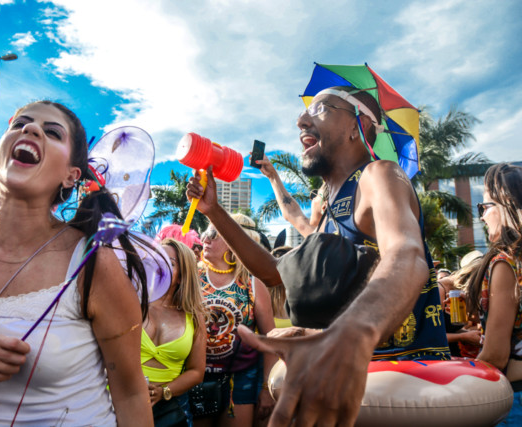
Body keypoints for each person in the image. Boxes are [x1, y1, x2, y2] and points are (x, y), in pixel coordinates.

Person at [187, 85, 450, 425]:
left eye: (322, 109)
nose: (302, 120)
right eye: (306, 112)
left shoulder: (379, 175)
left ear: (358, 126)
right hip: (338, 381)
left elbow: (408, 254)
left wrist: (353, 331)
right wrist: (214, 211)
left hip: (403, 377)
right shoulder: (326, 212)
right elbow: (275, 272)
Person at [0, 100, 153, 426]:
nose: (30, 129)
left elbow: (131, 395)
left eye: (52, 132)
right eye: (20, 124)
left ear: (71, 176)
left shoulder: (91, 264)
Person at [193, 213, 275, 427]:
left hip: (239, 380)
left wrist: (267, 389)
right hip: (196, 377)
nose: (205, 239)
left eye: (213, 233)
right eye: (205, 232)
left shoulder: (252, 284)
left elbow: (270, 341)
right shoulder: (192, 279)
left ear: (235, 241)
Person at [464, 163, 522, 424]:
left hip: (514, 397)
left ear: (506, 206)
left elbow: (497, 355)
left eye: (484, 207)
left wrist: (459, 376)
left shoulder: (505, 263)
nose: (482, 216)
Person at [142, 238, 207, 426]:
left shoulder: (194, 316)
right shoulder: (130, 304)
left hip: (172, 408)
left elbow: (196, 371)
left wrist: (164, 392)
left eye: (168, 263)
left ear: (181, 276)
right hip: (121, 402)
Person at [257, 155, 326, 238]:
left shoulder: (321, 239)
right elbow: (293, 213)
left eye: (315, 194)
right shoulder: (324, 236)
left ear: (324, 206)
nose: (312, 198)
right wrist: (272, 176)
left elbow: (294, 214)